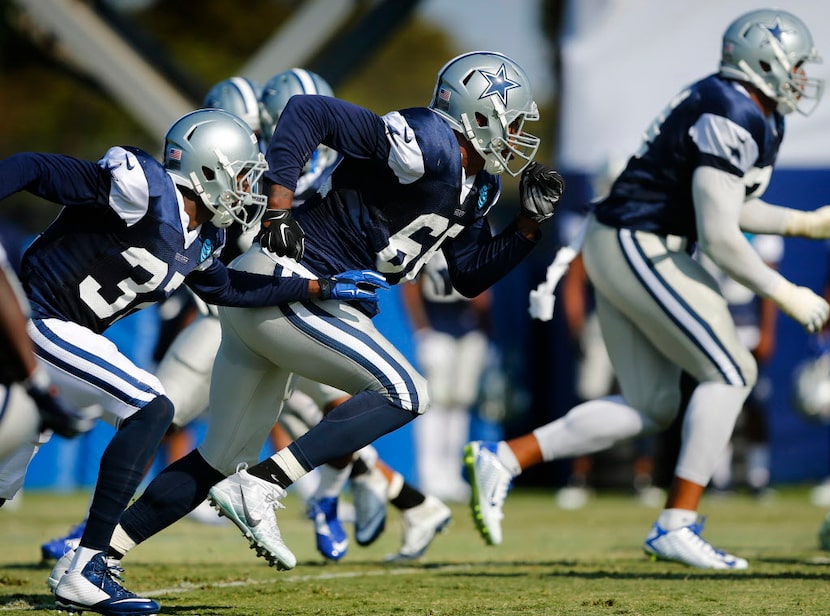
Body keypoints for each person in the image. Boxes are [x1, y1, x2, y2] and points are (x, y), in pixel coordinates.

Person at [71, 51, 560, 582]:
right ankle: (264, 484)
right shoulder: (425, 140)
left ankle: (94, 558)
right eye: (511, 121)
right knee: (408, 392)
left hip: (282, 300)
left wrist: (527, 229)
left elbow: (467, 274)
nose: (516, 135)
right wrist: (279, 209)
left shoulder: (480, 185)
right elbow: (306, 112)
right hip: (290, 280)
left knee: (218, 458)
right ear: (478, 114)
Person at [465, 8, 830, 571]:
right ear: (764, 59)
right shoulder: (731, 109)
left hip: (625, 240)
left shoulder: (743, 105)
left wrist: (805, 224)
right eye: (798, 64)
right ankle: (677, 523)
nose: (805, 76)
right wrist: (789, 293)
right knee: (733, 372)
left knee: (650, 404)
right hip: (641, 241)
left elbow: (729, 204)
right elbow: (722, 237)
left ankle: (505, 459)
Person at [0, 107, 384, 616]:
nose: (249, 190)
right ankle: (88, 565)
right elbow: (33, 167)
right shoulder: (143, 188)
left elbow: (228, 288)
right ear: (207, 169)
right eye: (243, 176)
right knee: (151, 406)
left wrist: (319, 286)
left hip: (67, 337)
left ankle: (86, 563)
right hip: (38, 321)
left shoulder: (202, 237)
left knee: (4, 479)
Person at [401, 250, 491, 502]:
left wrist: (486, 329)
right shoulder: (432, 229)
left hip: (469, 328)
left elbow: (485, 286)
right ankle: (430, 476)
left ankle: (451, 476)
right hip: (437, 326)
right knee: (435, 404)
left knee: (460, 404)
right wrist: (422, 330)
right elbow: (411, 284)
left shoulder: (479, 234)